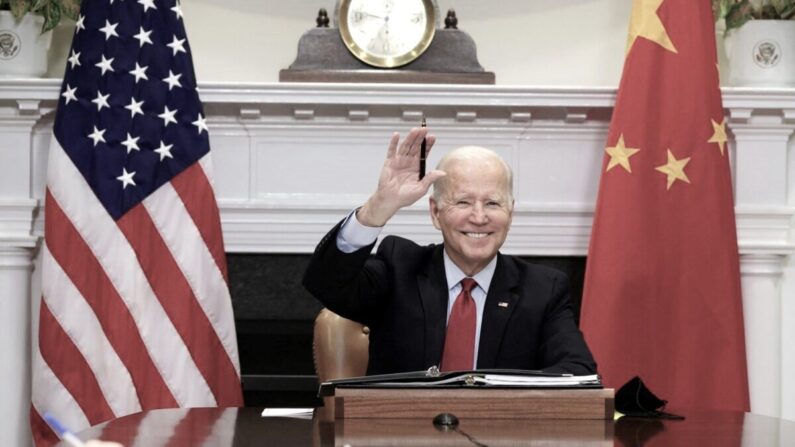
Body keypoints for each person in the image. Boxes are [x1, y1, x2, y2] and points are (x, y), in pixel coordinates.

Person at [303, 127, 596, 375]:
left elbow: (578, 372)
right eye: (463, 202)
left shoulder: (544, 289)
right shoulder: (399, 266)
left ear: (511, 212)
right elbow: (326, 284)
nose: (479, 217)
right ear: (435, 212)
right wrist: (377, 208)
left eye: (493, 203)